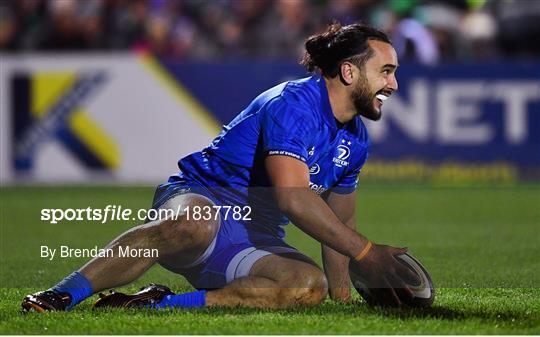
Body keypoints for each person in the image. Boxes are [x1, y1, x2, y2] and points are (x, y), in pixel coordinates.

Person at [22, 22, 418, 312]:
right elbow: (294, 199)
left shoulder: (356, 139)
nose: (394, 85)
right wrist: (368, 253)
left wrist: (342, 300)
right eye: (386, 71)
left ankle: (157, 305)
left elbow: (340, 225)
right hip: (200, 198)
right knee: (192, 222)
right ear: (349, 71)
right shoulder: (293, 104)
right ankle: (61, 295)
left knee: (305, 286)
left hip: (250, 236)